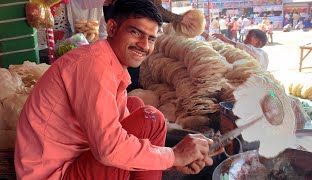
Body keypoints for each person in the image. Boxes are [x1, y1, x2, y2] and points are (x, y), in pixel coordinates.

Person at [14, 0, 223, 179]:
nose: (144, 45)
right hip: (53, 173)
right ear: (112, 28)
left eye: (151, 38)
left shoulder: (109, 63)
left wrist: (166, 160)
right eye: (136, 32)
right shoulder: (93, 66)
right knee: (151, 120)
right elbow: (109, 149)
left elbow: (119, 134)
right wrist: (173, 155)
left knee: (136, 106)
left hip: (70, 157)